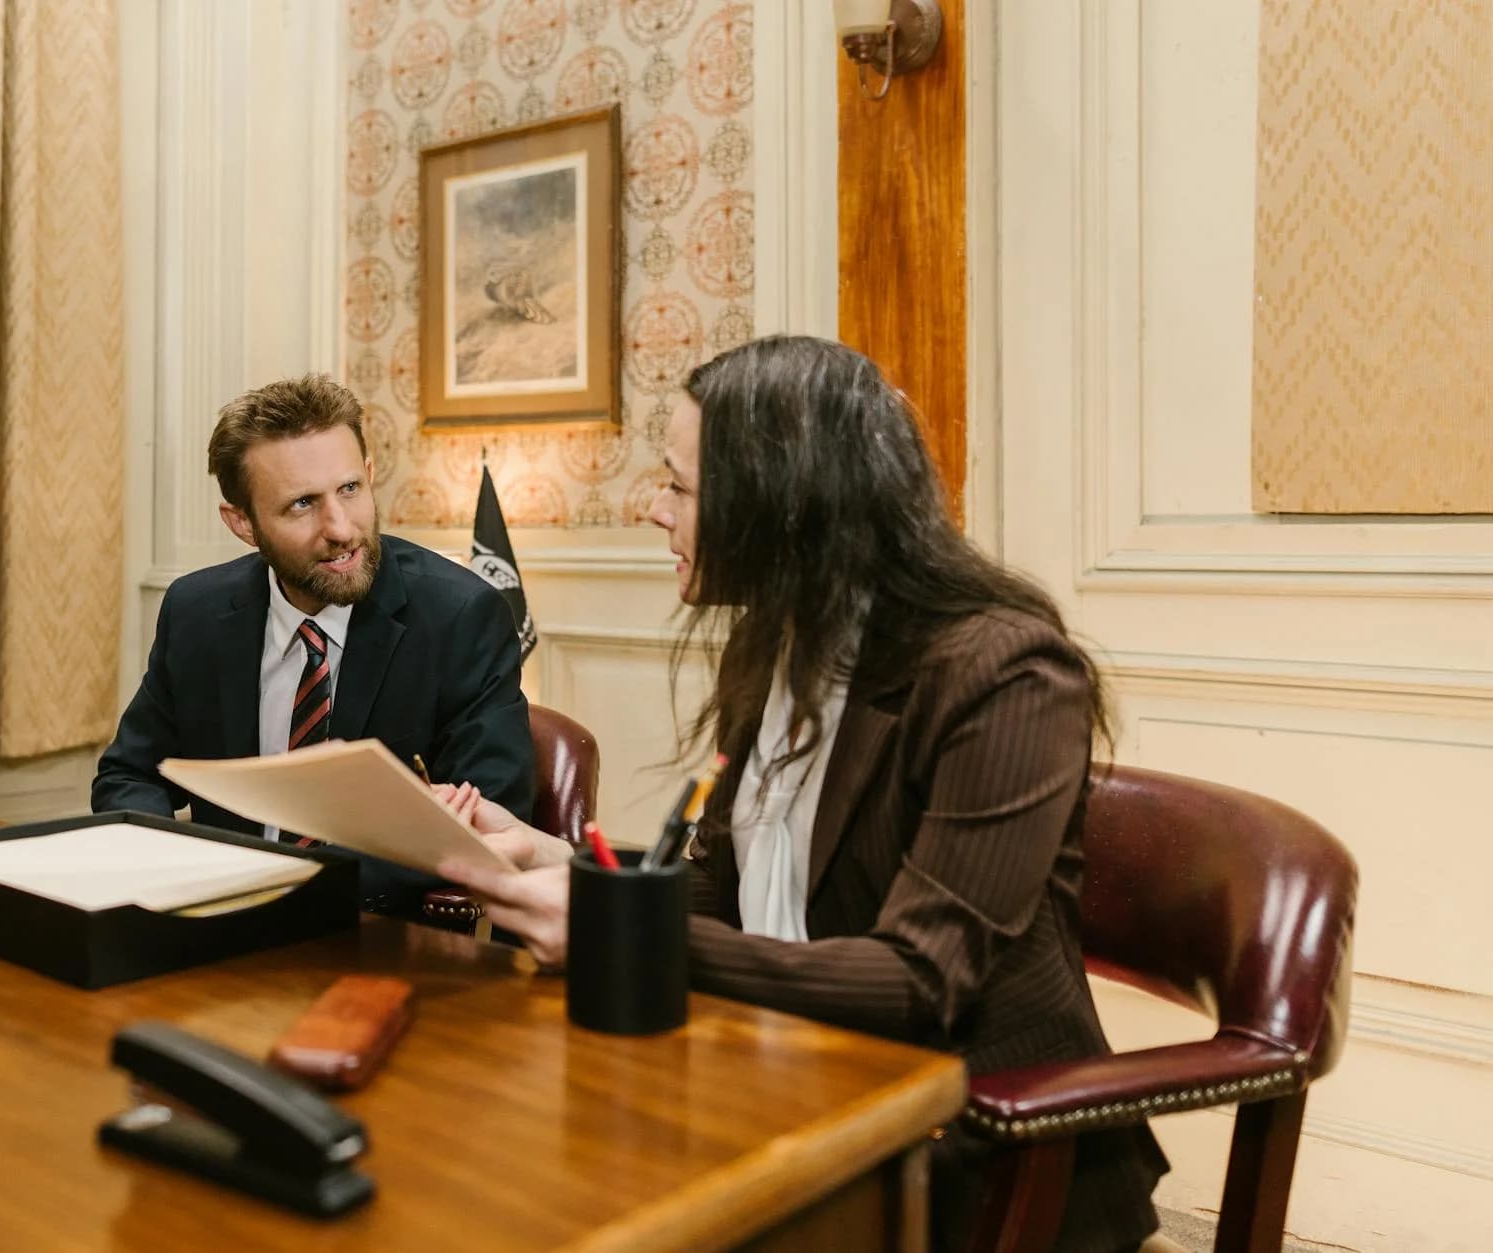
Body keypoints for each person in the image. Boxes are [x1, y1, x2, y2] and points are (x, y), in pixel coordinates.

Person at [436, 337, 1167, 1253]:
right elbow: (727, 887)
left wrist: (621, 934)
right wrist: (557, 856)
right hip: (783, 1082)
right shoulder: (773, 640)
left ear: (784, 509)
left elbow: (918, 979)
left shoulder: (1006, 672)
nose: (653, 509)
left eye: (681, 487)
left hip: (975, 1153)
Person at [93, 373, 534, 916]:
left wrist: (294, 894)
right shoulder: (197, 613)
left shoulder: (461, 617)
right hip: (216, 925)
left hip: (379, 940)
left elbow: (489, 816)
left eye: (350, 489)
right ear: (243, 524)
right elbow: (129, 775)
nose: (341, 527)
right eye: (302, 504)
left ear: (370, 476)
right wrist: (183, 873)